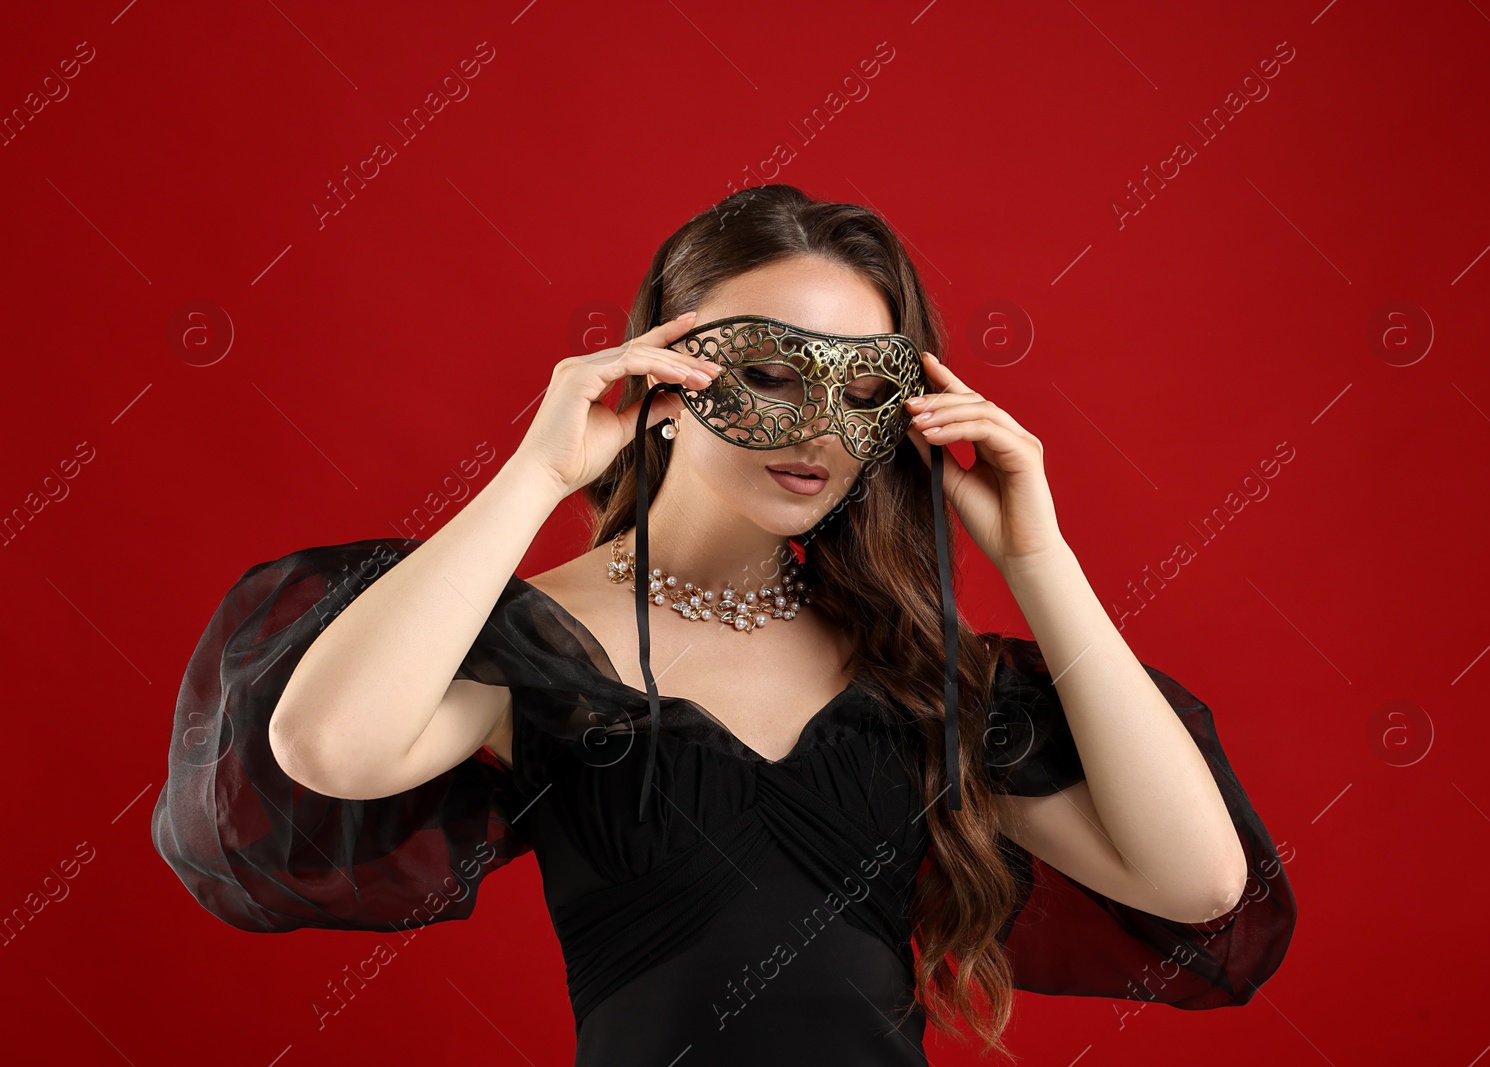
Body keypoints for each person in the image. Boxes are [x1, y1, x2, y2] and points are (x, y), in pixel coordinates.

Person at [152, 184, 1295, 1064]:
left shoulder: (908, 667)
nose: (816, 426)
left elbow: (1198, 883)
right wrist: (538, 468)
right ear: (663, 370)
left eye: (860, 387)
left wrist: (1037, 556)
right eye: (765, 369)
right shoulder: (539, 643)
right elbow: (326, 746)